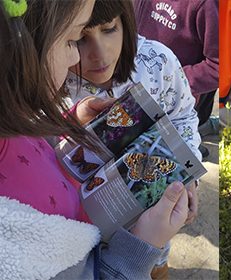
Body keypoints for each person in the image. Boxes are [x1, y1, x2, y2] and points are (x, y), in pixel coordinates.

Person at [0, 0, 189, 279]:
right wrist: (140, 249)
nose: (79, 56)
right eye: (73, 39)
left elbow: (35, 147)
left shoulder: (11, 119)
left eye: (110, 29)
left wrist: (70, 125)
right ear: (20, 45)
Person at [64, 0, 200, 278]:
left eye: (110, 29)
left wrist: (189, 177)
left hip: (151, 221)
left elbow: (183, 116)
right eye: (80, 38)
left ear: (126, 19)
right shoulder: (52, 81)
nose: (100, 53)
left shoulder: (158, 63)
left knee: (156, 268)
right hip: (82, 231)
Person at [134, 0, 219, 147]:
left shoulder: (206, 5)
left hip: (169, 105)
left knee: (164, 159)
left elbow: (218, 67)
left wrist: (172, 81)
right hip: (129, 90)